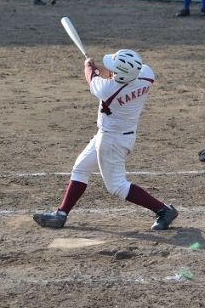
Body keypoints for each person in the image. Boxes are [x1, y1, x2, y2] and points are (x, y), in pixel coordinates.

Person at [33, 50, 179, 231]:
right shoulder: (147, 75)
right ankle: (61, 215)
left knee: (117, 185)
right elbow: (115, 75)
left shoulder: (107, 89)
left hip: (112, 140)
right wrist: (101, 68)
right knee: (81, 168)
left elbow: (91, 78)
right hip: (117, 135)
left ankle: (164, 210)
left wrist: (89, 65)